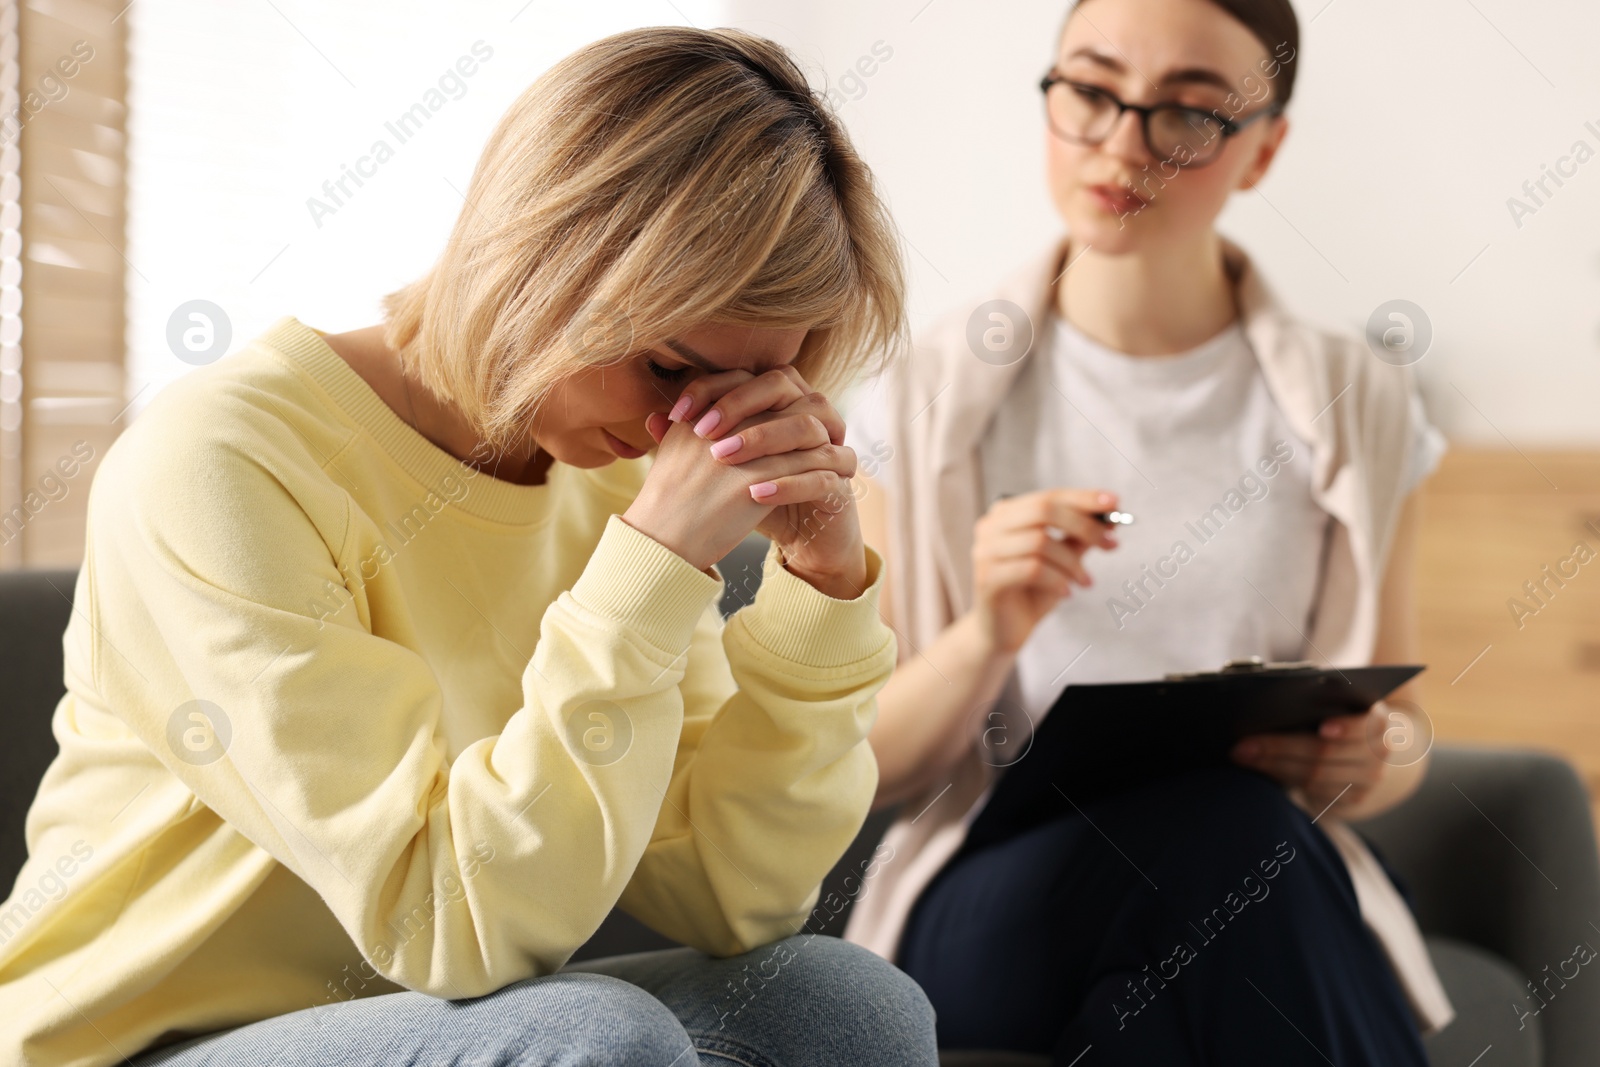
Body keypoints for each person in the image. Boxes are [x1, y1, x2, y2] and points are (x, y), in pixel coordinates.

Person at [0, 27, 939, 1067]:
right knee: (592, 1039)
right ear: (548, 262)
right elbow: (446, 921)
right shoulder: (223, 462)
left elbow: (731, 891)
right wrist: (646, 574)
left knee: (841, 999)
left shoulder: (622, 483)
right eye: (672, 368)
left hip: (418, 1026)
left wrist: (821, 585)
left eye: (749, 389)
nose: (694, 434)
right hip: (138, 1043)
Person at [836, 0, 1452, 1063]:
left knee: (1213, 904)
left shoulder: (1358, 399)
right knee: (1240, 841)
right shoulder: (928, 390)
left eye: (1190, 113)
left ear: (1262, 151)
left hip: (1250, 864)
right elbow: (860, 761)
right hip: (997, 890)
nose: (1124, 143)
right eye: (1090, 88)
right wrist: (988, 627)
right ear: (1052, 92)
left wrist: (1371, 748)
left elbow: (1397, 734)